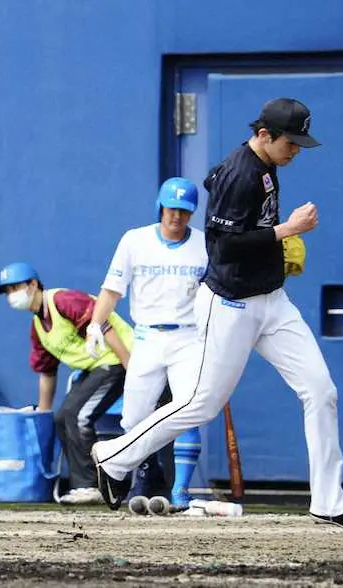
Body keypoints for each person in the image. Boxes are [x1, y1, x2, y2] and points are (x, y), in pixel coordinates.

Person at [90, 98, 343, 536]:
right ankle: (114, 456)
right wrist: (286, 231)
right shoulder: (240, 172)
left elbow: (216, 190)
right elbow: (222, 245)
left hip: (272, 301)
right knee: (199, 404)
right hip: (230, 304)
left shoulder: (263, 166)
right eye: (291, 142)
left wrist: (275, 243)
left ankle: (328, 501)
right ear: (264, 135)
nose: (296, 150)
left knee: (321, 390)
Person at [84, 177, 207, 510]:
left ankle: (180, 490)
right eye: (171, 208)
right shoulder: (134, 240)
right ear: (160, 206)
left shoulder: (205, 244)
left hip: (189, 337)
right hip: (148, 336)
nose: (177, 216)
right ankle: (140, 476)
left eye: (184, 211)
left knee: (188, 407)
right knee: (133, 416)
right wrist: (96, 324)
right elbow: (112, 288)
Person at [0, 262, 133, 505]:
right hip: (94, 369)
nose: (11, 295)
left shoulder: (62, 300)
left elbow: (101, 324)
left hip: (116, 360)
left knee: (79, 416)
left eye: (15, 287)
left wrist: (129, 365)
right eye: (7, 291)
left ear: (33, 284)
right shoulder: (38, 327)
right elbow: (47, 372)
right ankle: (85, 486)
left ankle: (97, 486)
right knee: (61, 419)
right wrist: (43, 412)